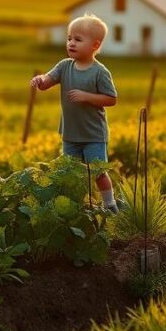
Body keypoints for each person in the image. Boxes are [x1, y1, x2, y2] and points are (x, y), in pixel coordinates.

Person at [31, 14, 119, 212]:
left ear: (95, 45)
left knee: (97, 172)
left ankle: (110, 205)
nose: (71, 43)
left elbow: (111, 99)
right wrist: (40, 80)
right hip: (70, 134)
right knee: (69, 173)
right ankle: (75, 207)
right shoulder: (64, 66)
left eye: (78, 40)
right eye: (69, 38)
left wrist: (86, 96)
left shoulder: (99, 72)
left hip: (93, 134)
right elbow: (48, 81)